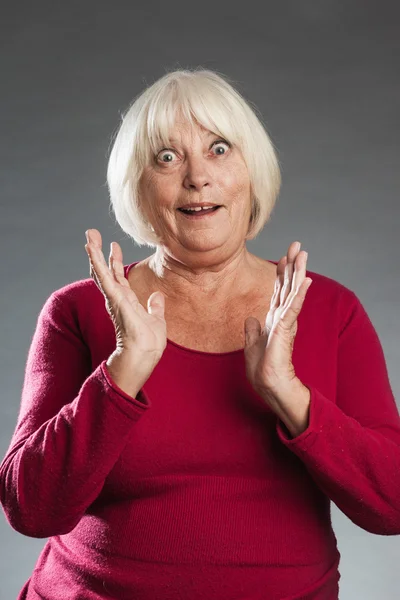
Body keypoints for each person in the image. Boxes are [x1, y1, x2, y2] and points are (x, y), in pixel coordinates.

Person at [1, 68, 400, 600]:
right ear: (138, 187)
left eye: (218, 149)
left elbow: (391, 506)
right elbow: (33, 509)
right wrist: (122, 373)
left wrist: (289, 395)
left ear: (252, 171)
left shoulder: (330, 310)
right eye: (166, 157)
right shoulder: (78, 311)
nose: (196, 177)